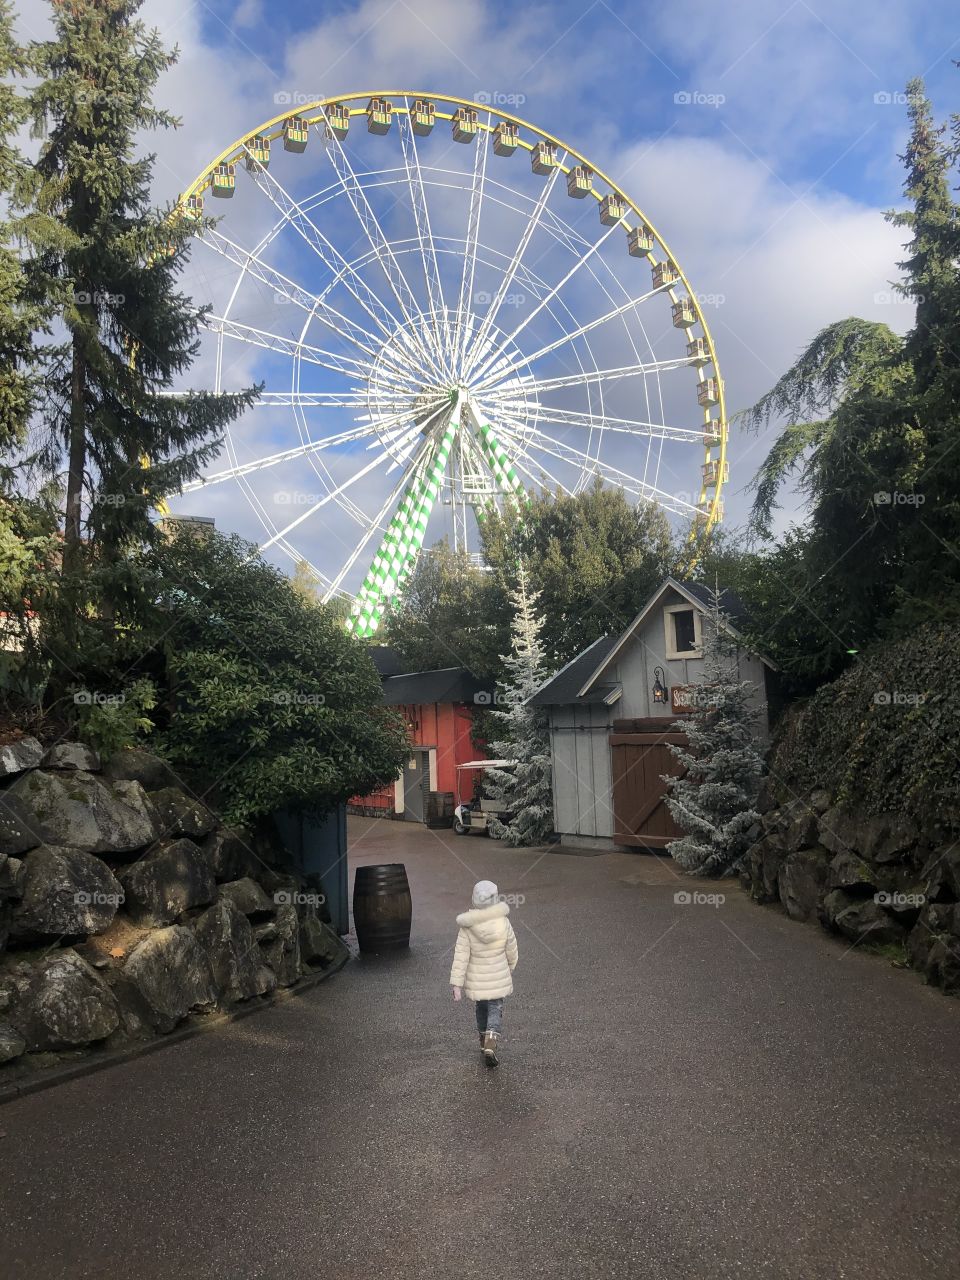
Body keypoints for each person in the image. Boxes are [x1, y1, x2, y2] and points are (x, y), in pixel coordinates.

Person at [449, 879, 519, 1066]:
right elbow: (511, 948)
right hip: (498, 976)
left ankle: (482, 1040)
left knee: (481, 1007)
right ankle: (491, 1040)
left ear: (474, 899)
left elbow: (461, 955)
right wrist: (510, 967)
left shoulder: (468, 927)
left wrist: (457, 983)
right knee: (495, 1007)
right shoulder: (503, 923)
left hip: (477, 979)